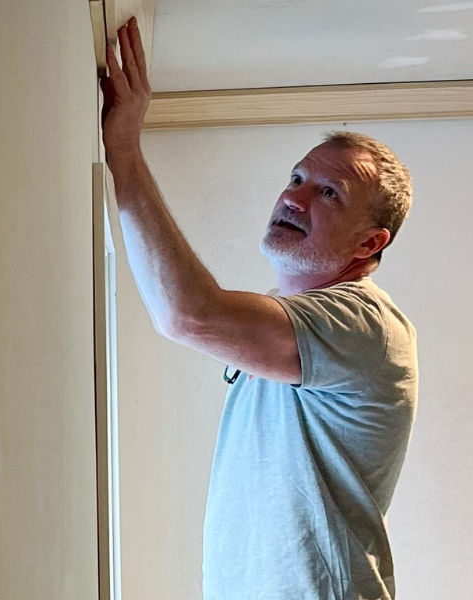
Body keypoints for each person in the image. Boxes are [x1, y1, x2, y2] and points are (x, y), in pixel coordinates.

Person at [101, 17, 418, 600]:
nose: (293, 196)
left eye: (329, 193)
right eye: (297, 178)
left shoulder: (364, 323)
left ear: (371, 243)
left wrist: (123, 152)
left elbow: (188, 314)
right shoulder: (285, 319)